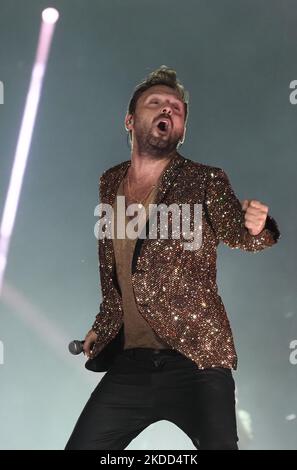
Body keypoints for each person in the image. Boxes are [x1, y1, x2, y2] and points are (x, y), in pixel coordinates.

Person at [65, 65, 280, 450]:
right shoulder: (109, 182)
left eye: (176, 108)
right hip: (132, 364)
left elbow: (238, 234)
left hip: (196, 360)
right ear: (130, 120)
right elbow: (116, 271)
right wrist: (104, 326)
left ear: (181, 130)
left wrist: (256, 227)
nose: (168, 110)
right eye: (156, 103)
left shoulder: (204, 180)